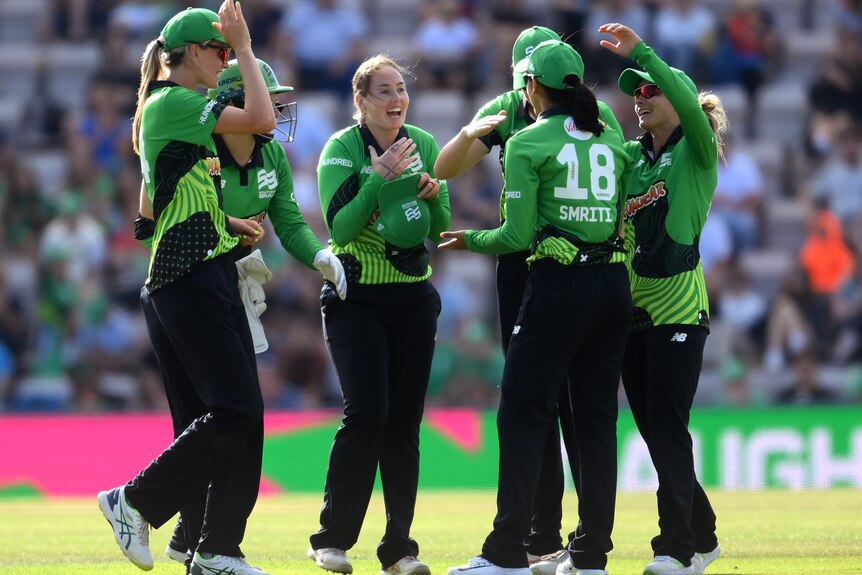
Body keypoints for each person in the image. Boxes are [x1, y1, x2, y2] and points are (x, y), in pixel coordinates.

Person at [134, 57, 347, 569]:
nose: (275, 108)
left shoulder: (270, 158)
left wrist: (318, 255)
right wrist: (226, 230)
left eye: (273, 99)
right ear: (233, 104)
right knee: (214, 417)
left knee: (231, 418)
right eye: (266, 99)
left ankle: (196, 539)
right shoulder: (197, 150)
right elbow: (149, 226)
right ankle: (167, 519)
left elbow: (289, 219)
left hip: (222, 288)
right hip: (183, 287)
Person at [434, 25, 624, 575]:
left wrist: (471, 239)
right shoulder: (604, 129)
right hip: (605, 280)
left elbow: (515, 236)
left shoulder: (527, 138)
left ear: (532, 82)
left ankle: (511, 549)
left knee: (523, 407)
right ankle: (586, 552)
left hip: (547, 275)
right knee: (591, 419)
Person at [96, 4, 279, 575]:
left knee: (235, 416)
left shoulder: (171, 112)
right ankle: (136, 501)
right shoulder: (176, 102)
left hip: (195, 270)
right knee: (237, 410)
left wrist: (226, 227)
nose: (224, 61)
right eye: (220, 52)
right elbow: (264, 119)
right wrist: (248, 49)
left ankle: (213, 549)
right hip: (190, 278)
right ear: (196, 52)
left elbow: (154, 216)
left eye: (229, 53)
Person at [306, 54, 450, 575]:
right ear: (360, 102)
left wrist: (433, 197)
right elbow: (341, 230)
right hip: (356, 297)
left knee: (404, 424)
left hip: (413, 298)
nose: (396, 100)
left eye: (400, 90)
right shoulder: (342, 150)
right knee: (367, 413)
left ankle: (399, 549)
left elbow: (441, 223)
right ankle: (332, 540)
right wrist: (377, 177)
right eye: (383, 91)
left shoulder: (424, 145)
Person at [597, 22, 727, 575]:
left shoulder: (696, 152)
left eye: (651, 90)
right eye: (635, 91)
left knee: (668, 427)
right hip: (633, 314)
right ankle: (704, 533)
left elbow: (687, 110)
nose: (639, 99)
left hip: (680, 311)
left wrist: (645, 54)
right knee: (654, 433)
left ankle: (677, 547)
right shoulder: (631, 159)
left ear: (676, 101)